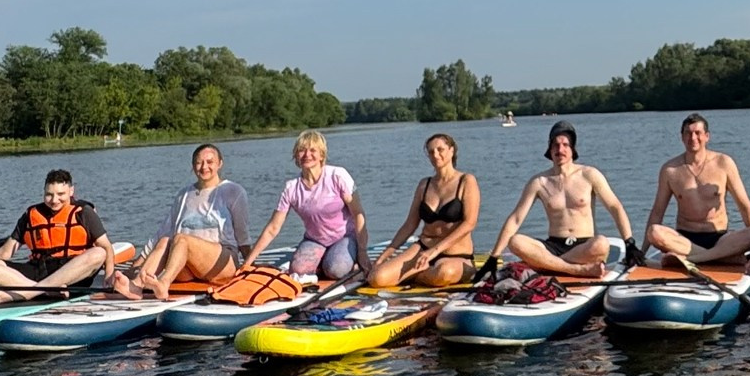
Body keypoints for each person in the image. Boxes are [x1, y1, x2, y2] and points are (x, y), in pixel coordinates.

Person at [487, 121, 636, 276]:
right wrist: (493, 257)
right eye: (556, 145)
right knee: (515, 241)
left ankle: (547, 265)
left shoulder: (589, 174)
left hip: (584, 246)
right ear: (550, 149)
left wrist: (629, 242)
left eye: (565, 145)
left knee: (602, 244)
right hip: (553, 246)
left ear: (573, 149)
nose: (560, 150)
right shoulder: (539, 182)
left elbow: (614, 207)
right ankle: (575, 269)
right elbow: (516, 219)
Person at [117, 143, 252, 297]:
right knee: (165, 241)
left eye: (209, 162)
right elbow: (163, 232)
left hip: (221, 262)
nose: (204, 167)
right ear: (193, 166)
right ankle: (136, 285)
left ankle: (163, 283)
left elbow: (242, 234)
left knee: (182, 239)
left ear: (220, 163)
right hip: (189, 266)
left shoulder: (233, 191)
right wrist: (138, 263)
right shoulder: (184, 195)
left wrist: (250, 264)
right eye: (199, 162)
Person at [644, 114, 750, 270]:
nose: (693, 137)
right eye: (688, 133)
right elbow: (657, 212)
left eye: (697, 133)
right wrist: (642, 252)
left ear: (707, 136)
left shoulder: (724, 163)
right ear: (681, 137)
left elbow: (744, 206)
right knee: (654, 232)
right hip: (685, 239)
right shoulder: (670, 170)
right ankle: (723, 257)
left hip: (719, 237)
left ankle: (697, 259)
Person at [247, 130, 368, 282]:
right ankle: (321, 262)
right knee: (298, 271)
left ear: (322, 155)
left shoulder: (337, 175)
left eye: (312, 150)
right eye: (302, 150)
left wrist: (363, 252)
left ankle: (350, 262)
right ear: (296, 156)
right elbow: (273, 229)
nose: (307, 155)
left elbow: (358, 214)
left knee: (336, 270)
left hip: (344, 236)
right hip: (315, 240)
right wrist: (248, 263)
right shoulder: (291, 188)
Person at [0, 168, 115, 293]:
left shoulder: (83, 212)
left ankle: (31, 292)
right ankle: (43, 290)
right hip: (38, 270)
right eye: (49, 194)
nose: (54, 200)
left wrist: (110, 276)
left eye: (60, 194)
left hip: (72, 274)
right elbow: (4, 253)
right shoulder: (31, 215)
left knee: (99, 253)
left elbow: (106, 247)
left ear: (71, 191)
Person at [370, 133, 483, 289]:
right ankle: (419, 274)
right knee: (377, 278)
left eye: (440, 149)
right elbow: (410, 225)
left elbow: (470, 223)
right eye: (431, 152)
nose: (435, 155)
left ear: (451, 151)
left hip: (455, 254)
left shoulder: (466, 181)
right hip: (423, 248)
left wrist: (435, 251)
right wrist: (384, 256)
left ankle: (414, 276)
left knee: (443, 273)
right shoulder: (424, 184)